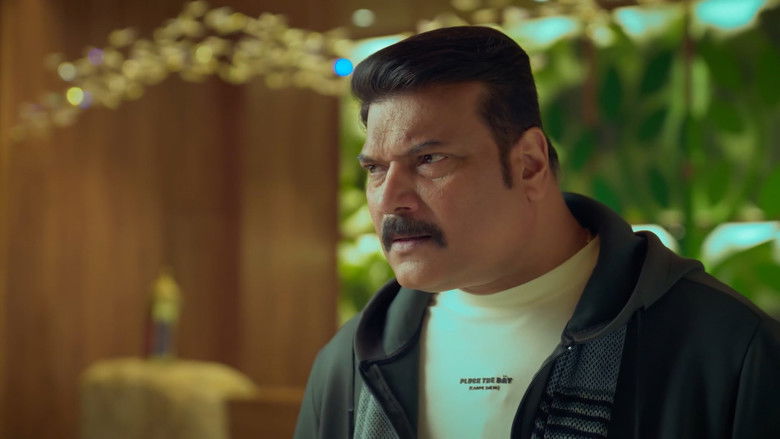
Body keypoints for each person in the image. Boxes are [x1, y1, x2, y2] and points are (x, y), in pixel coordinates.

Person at [294, 26, 780, 438]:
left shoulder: (726, 348)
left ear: (529, 164)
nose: (389, 198)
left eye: (429, 159)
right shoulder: (349, 361)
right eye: (375, 168)